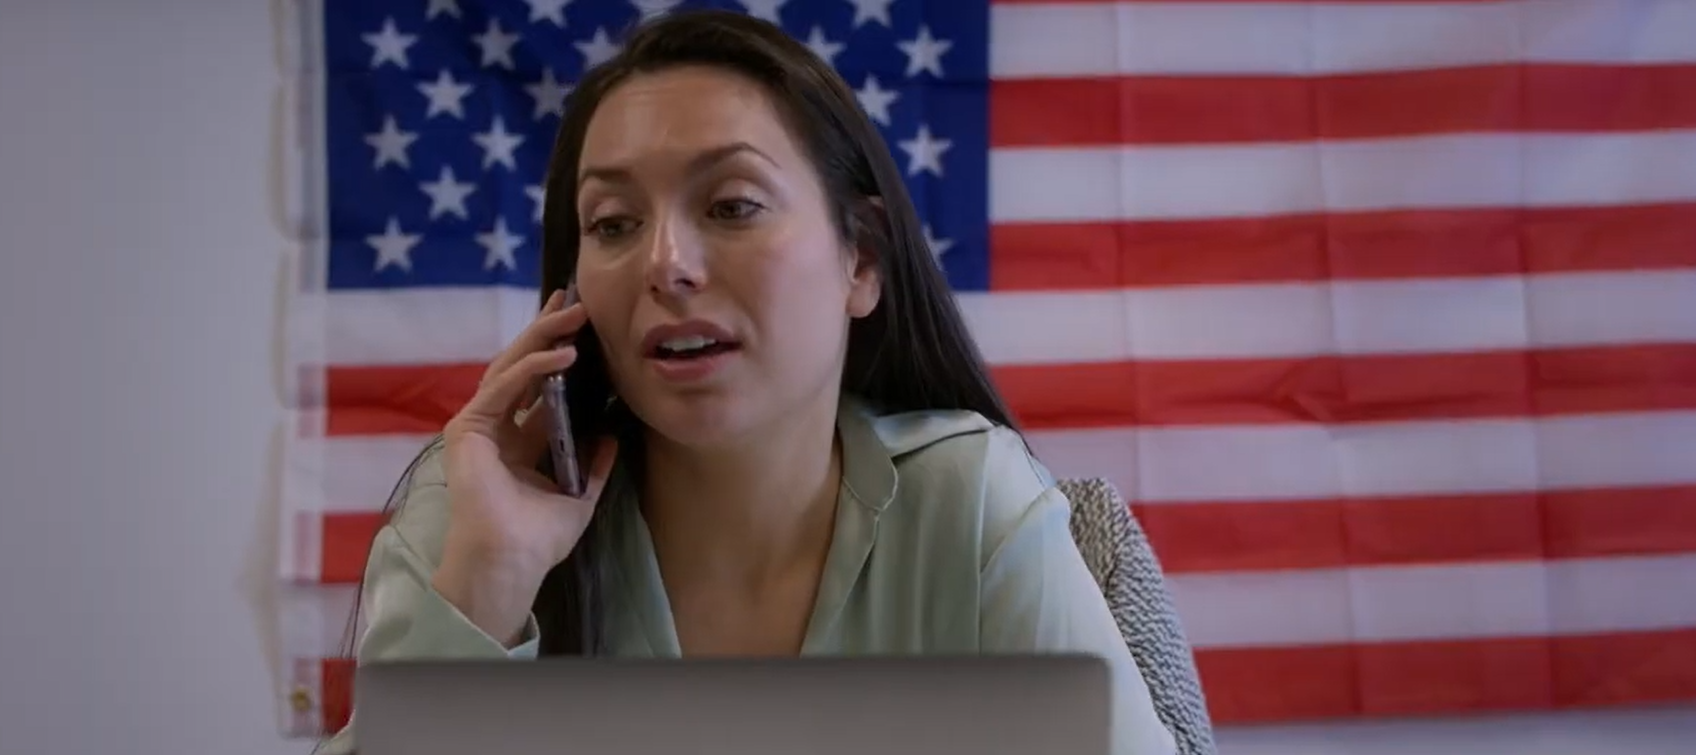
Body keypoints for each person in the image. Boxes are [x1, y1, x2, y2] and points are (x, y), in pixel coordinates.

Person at [317, 9, 1176, 755]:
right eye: (613, 223)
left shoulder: (970, 500)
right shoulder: (476, 505)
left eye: (731, 206)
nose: (666, 263)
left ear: (861, 260)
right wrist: (488, 581)